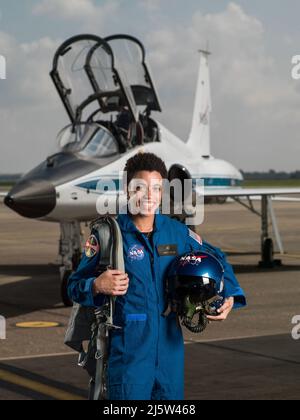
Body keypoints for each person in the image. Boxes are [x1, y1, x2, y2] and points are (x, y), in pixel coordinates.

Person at [68, 152, 246, 400]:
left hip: (169, 352)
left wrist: (230, 296)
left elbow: (216, 258)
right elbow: (74, 286)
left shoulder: (176, 232)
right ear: (128, 190)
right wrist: (97, 285)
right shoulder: (108, 236)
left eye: (156, 188)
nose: (149, 195)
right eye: (140, 187)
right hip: (128, 354)